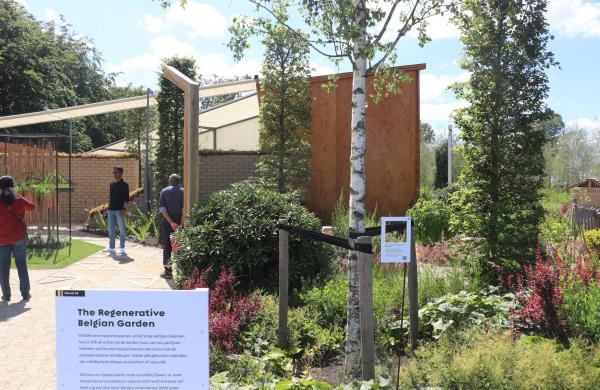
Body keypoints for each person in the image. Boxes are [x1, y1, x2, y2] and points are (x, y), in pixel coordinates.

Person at [0, 176, 35, 301]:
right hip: (18, 238)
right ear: (13, 186)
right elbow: (32, 207)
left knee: (3, 267)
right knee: (21, 265)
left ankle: (6, 295)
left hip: (2, 240)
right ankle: (25, 294)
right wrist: (20, 198)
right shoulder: (19, 200)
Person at [159, 174, 183, 279]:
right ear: (179, 181)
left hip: (168, 223)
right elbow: (184, 209)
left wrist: (171, 223)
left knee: (168, 246)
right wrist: (181, 224)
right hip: (180, 222)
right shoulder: (183, 191)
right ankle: (181, 271)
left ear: (170, 181)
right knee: (180, 245)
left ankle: (168, 272)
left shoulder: (164, 191)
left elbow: (163, 210)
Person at [103, 166, 129, 256]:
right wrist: (107, 209)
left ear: (121, 173)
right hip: (111, 210)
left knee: (122, 230)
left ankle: (121, 248)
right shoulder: (112, 184)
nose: (114, 174)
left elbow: (126, 199)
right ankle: (112, 247)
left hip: (119, 210)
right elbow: (110, 198)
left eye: (116, 172)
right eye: (113, 172)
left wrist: (124, 209)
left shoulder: (125, 185)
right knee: (110, 229)